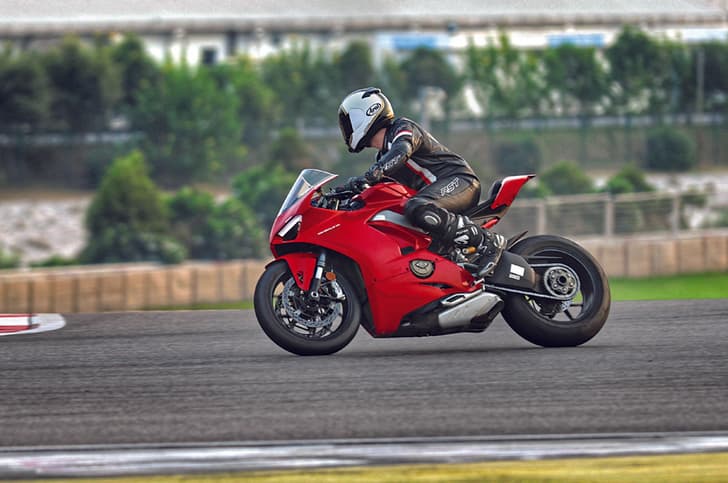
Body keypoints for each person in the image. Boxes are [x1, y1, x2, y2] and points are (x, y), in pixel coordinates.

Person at [337, 87, 506, 277]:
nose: (346, 129)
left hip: (460, 181)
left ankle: (488, 241)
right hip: (435, 200)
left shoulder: (402, 128)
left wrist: (372, 174)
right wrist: (344, 196)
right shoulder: (382, 157)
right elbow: (377, 191)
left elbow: (402, 150)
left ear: (368, 112)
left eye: (348, 122)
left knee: (417, 207)